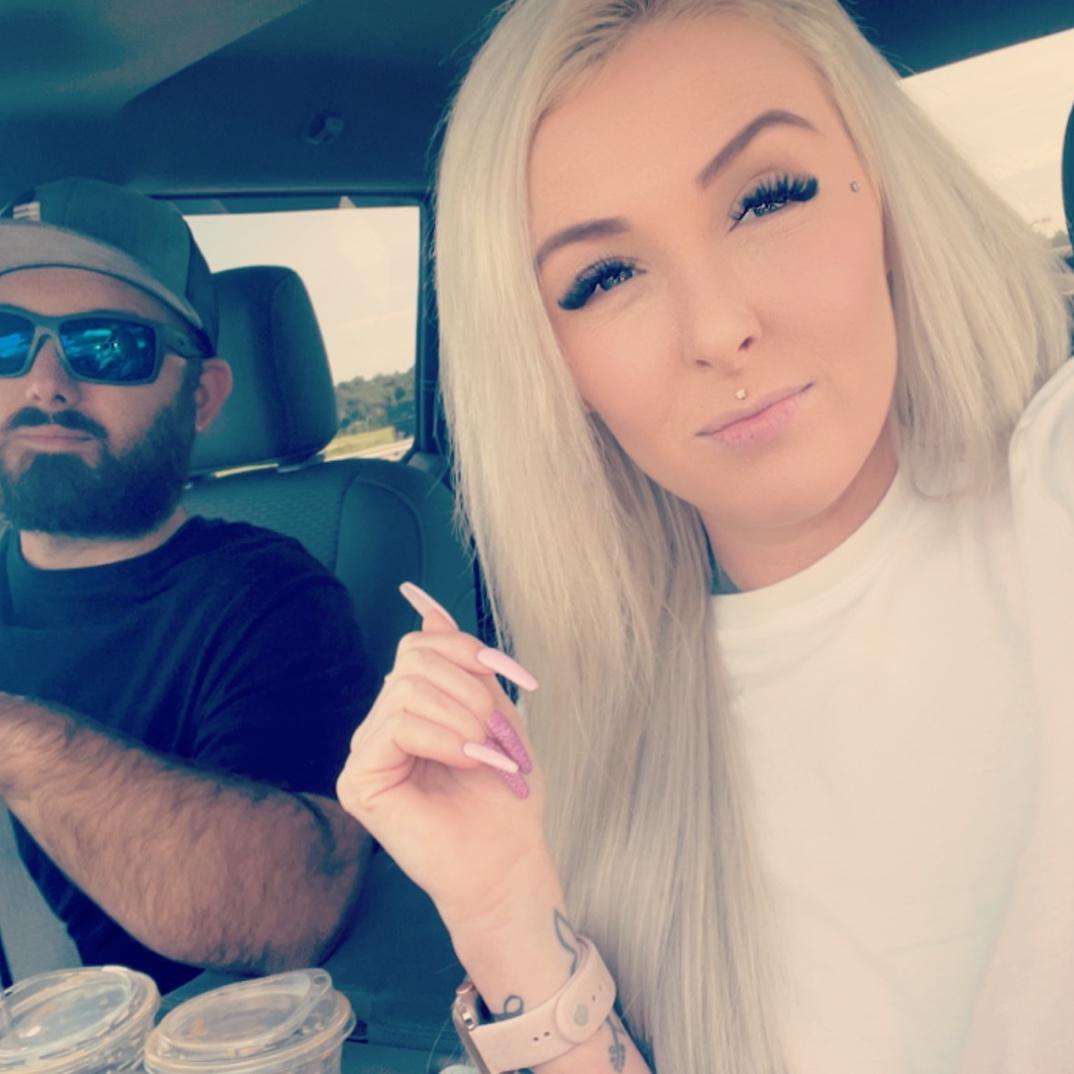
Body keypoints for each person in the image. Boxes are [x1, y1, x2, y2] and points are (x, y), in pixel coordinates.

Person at [336, 1, 1074, 1072]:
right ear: (553, 369)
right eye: (604, 278)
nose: (719, 328)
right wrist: (503, 915)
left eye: (767, 199)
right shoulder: (580, 741)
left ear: (884, 194)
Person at [0, 178, 375, 993]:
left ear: (200, 398)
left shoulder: (269, 601)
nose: (45, 384)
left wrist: (18, 745)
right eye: (6, 339)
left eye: (108, 346)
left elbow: (291, 912)